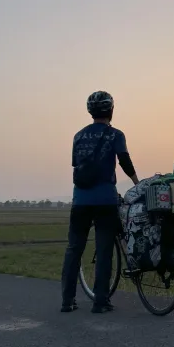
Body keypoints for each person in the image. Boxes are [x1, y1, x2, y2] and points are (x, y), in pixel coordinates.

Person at [60, 91, 139, 314]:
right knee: (104, 249)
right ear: (111, 110)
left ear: (90, 112)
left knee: (74, 249)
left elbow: (77, 164)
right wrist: (136, 183)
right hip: (105, 200)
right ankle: (100, 301)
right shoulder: (116, 135)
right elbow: (124, 160)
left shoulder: (78, 136)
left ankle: (67, 301)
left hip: (80, 200)